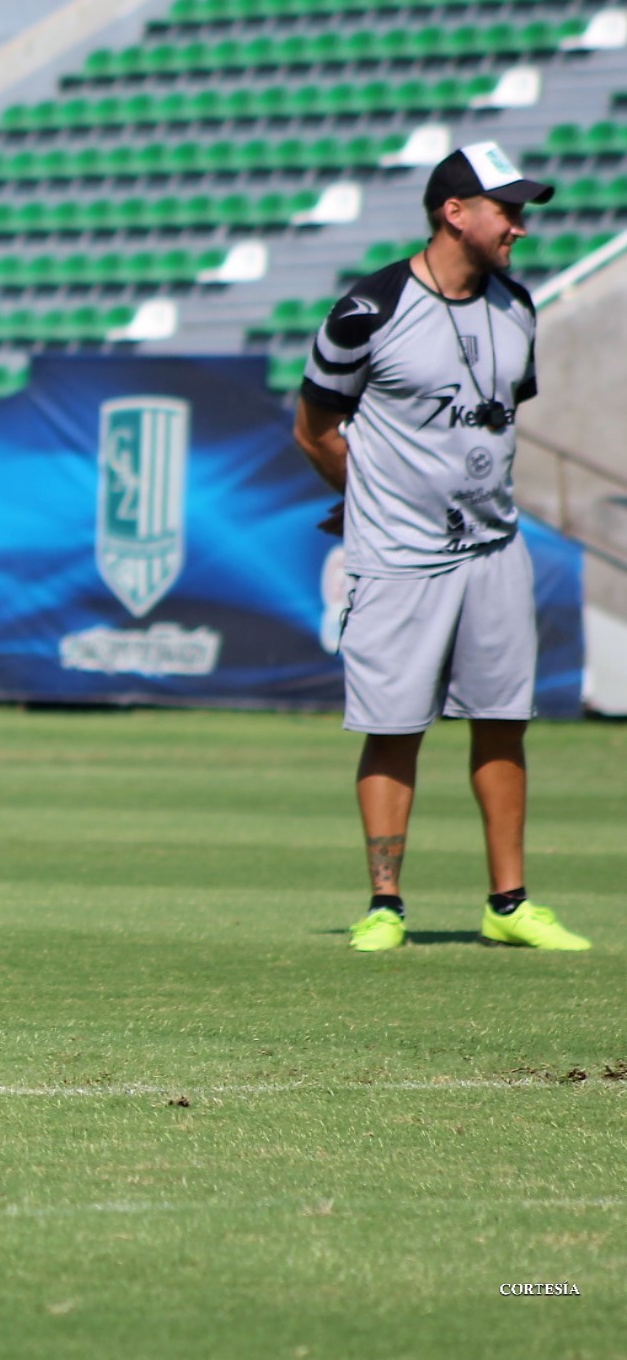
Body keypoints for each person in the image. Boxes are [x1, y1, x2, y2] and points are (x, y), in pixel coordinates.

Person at [293, 141, 589, 953]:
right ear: (453, 212)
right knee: (392, 725)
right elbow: (313, 427)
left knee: (502, 721)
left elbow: (491, 419)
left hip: (494, 549)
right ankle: (384, 904)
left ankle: (509, 902)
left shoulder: (516, 308)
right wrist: (362, 499)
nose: (520, 226)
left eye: (522, 211)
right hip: (398, 555)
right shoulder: (367, 309)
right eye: (508, 209)